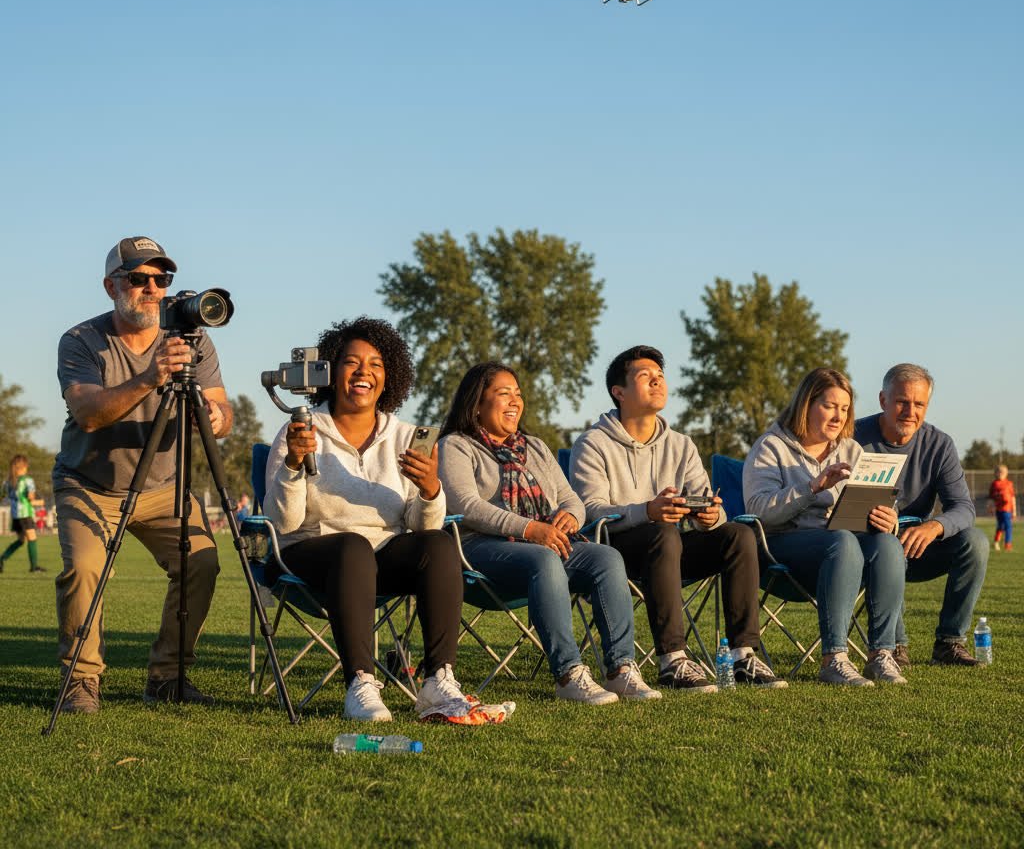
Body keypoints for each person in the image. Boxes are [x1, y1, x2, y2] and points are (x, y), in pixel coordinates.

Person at [263, 316, 491, 725]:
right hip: (313, 556)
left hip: (382, 556)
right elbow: (283, 521)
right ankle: (361, 684)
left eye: (376, 364)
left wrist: (429, 491)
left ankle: (439, 679)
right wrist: (294, 465)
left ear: (390, 378)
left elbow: (421, 528)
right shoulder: (300, 429)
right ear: (332, 373)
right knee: (351, 547)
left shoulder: (406, 437)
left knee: (439, 544)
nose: (364, 372)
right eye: (352, 362)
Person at [53, 236, 231, 714]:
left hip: (164, 486)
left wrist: (214, 419)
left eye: (161, 278)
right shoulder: (81, 340)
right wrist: (149, 377)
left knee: (202, 563)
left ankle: (168, 677)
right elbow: (88, 413)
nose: (152, 288)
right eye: (139, 278)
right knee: (85, 568)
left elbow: (222, 409)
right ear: (111, 285)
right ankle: (81, 681)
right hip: (89, 482)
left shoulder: (194, 338)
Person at [438, 361, 661, 705]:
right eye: (503, 394)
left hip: (544, 542)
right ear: (477, 402)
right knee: (543, 558)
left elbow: (571, 499)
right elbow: (466, 505)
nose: (515, 401)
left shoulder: (535, 447)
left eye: (518, 394)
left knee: (606, 558)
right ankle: (569, 673)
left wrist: (570, 517)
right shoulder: (457, 445)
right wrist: (529, 528)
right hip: (479, 548)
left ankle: (620, 670)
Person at [570, 346, 786, 691]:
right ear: (619, 392)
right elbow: (590, 512)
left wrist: (710, 516)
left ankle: (744, 655)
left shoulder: (681, 444)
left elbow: (708, 502)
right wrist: (648, 511)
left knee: (737, 535)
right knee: (663, 533)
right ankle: (673, 660)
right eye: (646, 376)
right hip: (617, 552)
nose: (657, 381)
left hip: (671, 549)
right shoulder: (593, 444)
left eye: (660, 376)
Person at [743, 368, 907, 686]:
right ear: (807, 404)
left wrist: (889, 518)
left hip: (842, 545)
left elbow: (880, 506)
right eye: (830, 406)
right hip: (783, 548)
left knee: (887, 544)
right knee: (842, 541)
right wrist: (812, 487)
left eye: (844, 409)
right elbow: (760, 512)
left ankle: (882, 655)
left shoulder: (851, 451)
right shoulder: (770, 447)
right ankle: (834, 659)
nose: (838, 416)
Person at [855, 363, 991, 667]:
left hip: (919, 546)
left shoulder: (939, 444)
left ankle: (949, 643)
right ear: (882, 400)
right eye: (902, 401)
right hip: (869, 550)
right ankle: (894, 645)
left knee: (976, 542)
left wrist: (934, 527)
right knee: (885, 544)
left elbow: (963, 508)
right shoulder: (853, 437)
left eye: (919, 404)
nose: (910, 411)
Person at [1, 455, 47, 573]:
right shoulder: (28, 480)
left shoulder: (7, 482)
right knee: (32, 538)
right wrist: (40, 501)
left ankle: (2, 559)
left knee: (21, 540)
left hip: (15, 516)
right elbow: (31, 499)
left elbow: (2, 496)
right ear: (24, 466)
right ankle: (34, 567)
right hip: (25, 515)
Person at [989, 465, 1015, 552]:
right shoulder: (994, 484)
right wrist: (991, 507)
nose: (1000, 473)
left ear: (1006, 473)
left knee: (1008, 526)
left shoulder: (1009, 483)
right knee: (1000, 526)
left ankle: (1008, 544)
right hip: (999, 509)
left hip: (1007, 510)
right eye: (998, 471)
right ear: (995, 473)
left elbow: (1012, 497)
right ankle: (996, 541)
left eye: (1002, 472)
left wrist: (1014, 510)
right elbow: (991, 498)